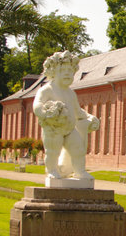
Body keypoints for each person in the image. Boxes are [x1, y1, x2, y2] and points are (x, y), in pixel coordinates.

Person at [33, 51, 99, 180]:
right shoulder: (47, 90)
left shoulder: (70, 93)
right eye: (63, 70)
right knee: (53, 152)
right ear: (53, 71)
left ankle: (79, 171)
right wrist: (45, 113)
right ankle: (52, 170)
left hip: (69, 129)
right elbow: (37, 104)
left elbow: (78, 112)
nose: (68, 73)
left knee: (78, 148)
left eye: (70, 70)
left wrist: (90, 117)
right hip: (53, 129)